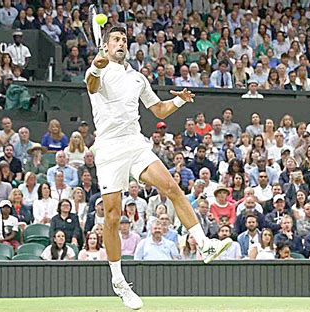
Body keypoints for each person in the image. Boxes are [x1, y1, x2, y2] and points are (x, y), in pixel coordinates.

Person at [87, 26, 231, 308]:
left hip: (135, 144)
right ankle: (118, 281)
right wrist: (95, 66)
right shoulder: (98, 70)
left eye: (124, 40)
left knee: (172, 188)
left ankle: (204, 244)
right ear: (105, 45)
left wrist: (179, 99)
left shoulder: (137, 78)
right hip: (109, 149)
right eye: (115, 39)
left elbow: (158, 110)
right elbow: (91, 86)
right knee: (113, 216)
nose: (121, 43)